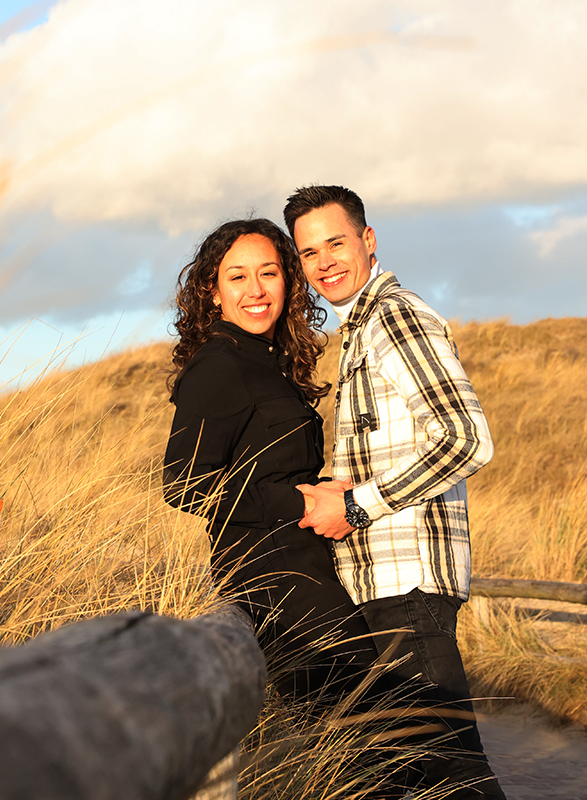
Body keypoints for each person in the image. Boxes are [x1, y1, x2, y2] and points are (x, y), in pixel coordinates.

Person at [286, 185, 506, 799]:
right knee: (401, 775)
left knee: (452, 775)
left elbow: (466, 440)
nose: (325, 261)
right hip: (384, 585)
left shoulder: (394, 316)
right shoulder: (359, 329)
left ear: (368, 240)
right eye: (309, 252)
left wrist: (356, 506)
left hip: (406, 586)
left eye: (336, 242)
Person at [162, 218, 376, 708]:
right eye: (237, 277)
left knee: (354, 738)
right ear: (212, 292)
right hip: (271, 574)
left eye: (269, 273)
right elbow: (184, 484)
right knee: (368, 723)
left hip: (300, 562)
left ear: (289, 283)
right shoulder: (220, 364)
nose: (255, 290)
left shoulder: (267, 361)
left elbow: (265, 465)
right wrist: (301, 497)